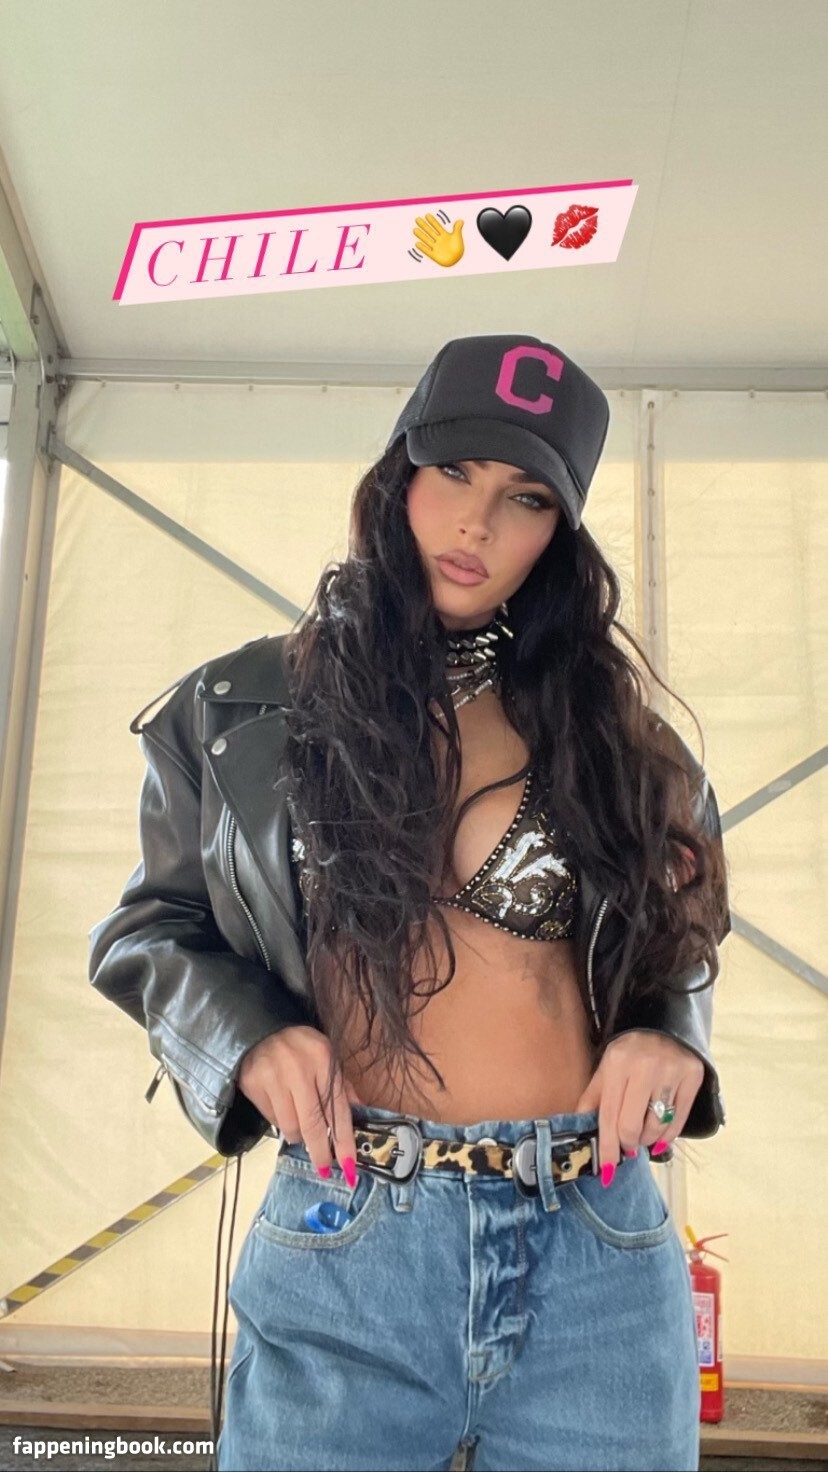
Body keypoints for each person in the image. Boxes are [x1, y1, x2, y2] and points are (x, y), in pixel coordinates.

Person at [88, 333, 731, 1472]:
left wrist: (666, 1032)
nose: (476, 523)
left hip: (591, 1243)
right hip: (349, 1237)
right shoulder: (239, 709)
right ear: (397, 476)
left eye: (525, 497)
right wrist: (248, 1037)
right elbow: (149, 929)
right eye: (453, 472)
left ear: (560, 533)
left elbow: (684, 928)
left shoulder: (618, 735)